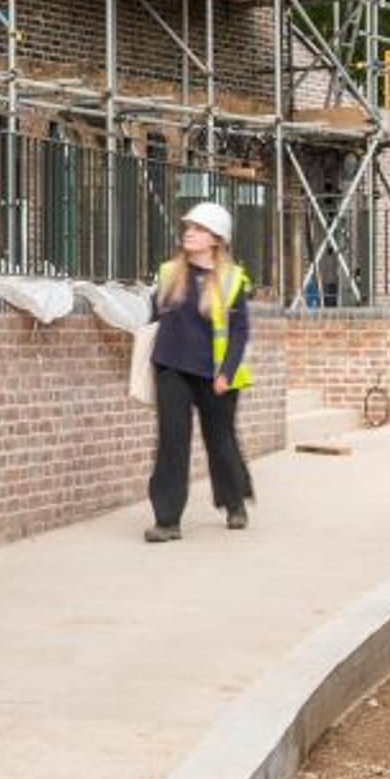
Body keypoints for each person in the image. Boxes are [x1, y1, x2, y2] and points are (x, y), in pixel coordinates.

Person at [144, 200, 257, 541]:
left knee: (220, 441)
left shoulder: (232, 279)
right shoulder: (168, 273)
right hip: (172, 369)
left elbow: (239, 331)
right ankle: (167, 520)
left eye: (198, 229)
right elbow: (153, 319)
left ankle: (234, 501)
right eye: (188, 228)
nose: (189, 233)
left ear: (216, 239)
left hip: (216, 375)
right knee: (171, 443)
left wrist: (226, 373)